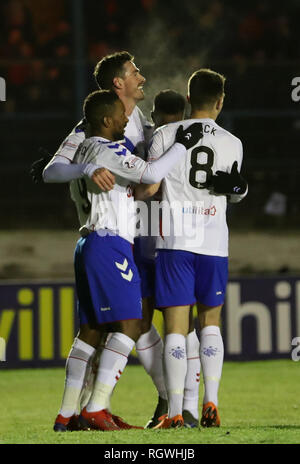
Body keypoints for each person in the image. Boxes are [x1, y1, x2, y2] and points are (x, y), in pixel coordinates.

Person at [52, 88, 204, 431]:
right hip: (110, 244)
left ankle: (66, 415)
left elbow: (52, 171)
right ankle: (96, 407)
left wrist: (86, 169)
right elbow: (150, 175)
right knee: (133, 324)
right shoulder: (109, 150)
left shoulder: (86, 147)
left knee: (91, 331)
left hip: (89, 242)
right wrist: (183, 144)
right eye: (122, 116)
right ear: (108, 120)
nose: (127, 120)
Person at [36, 51, 168, 428]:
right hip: (110, 233)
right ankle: (133, 403)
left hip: (136, 228)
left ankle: (78, 413)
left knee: (111, 326)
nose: (142, 77)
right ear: (118, 83)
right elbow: (53, 171)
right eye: (135, 72)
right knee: (132, 321)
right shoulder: (88, 131)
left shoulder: (137, 122)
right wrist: (86, 167)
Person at [136, 68, 248, 429]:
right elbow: (235, 189)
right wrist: (240, 189)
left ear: (187, 99)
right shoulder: (233, 142)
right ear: (220, 101)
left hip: (174, 243)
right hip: (214, 243)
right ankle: (210, 402)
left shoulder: (166, 134)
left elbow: (149, 190)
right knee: (210, 323)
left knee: (175, 328)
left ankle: (172, 413)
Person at [137, 89, 201, 428]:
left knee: (156, 325)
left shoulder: (150, 139)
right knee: (169, 325)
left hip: (156, 241)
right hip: (170, 240)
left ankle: (176, 401)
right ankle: (177, 400)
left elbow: (142, 185)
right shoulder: (187, 141)